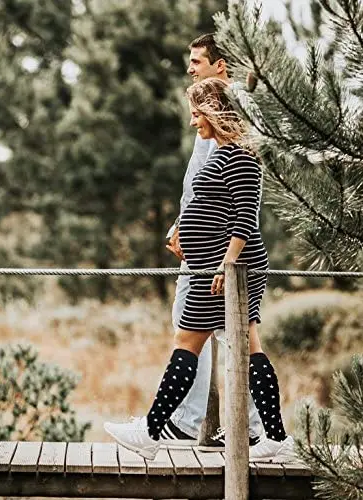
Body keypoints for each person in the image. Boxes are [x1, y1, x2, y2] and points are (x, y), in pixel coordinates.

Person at [104, 76, 295, 463]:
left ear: (215, 112)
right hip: (213, 269)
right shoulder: (225, 153)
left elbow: (245, 219)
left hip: (227, 272)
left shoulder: (241, 157)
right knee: (235, 346)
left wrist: (227, 265)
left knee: (197, 344)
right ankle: (275, 437)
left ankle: (152, 432)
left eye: (197, 114)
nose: (193, 122)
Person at [160, 33, 264, 452]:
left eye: (198, 61)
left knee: (224, 334)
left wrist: (220, 253)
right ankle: (249, 429)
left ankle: (194, 424)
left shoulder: (227, 115)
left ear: (220, 65)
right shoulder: (208, 111)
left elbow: (233, 197)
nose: (190, 68)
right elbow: (199, 187)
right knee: (222, 333)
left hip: (217, 253)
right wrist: (180, 224)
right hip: (205, 247)